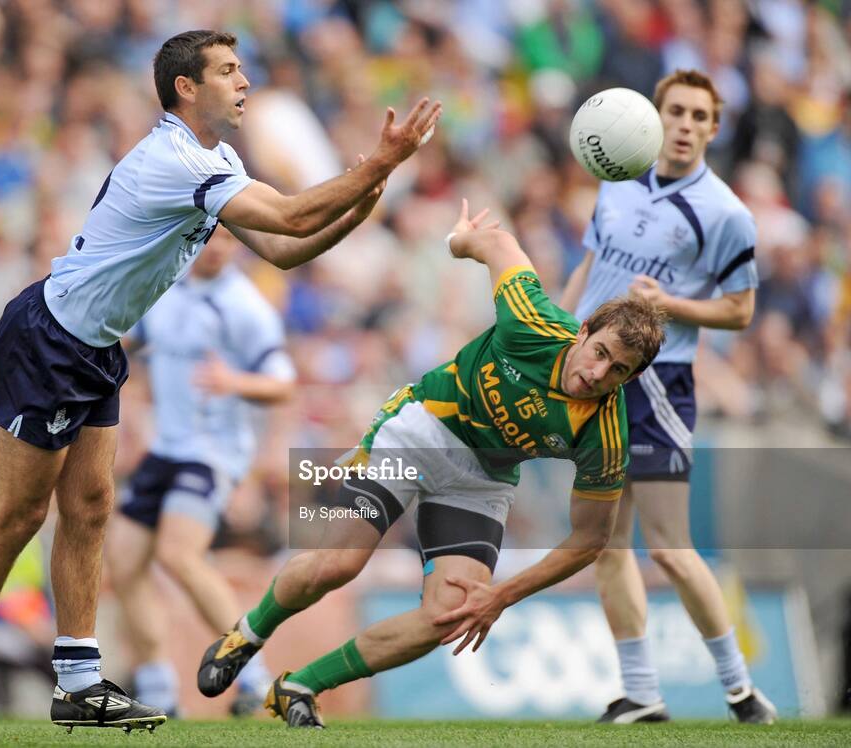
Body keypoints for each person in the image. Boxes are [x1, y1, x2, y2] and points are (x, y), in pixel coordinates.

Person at [0, 29, 441, 737]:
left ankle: (76, 684)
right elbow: (288, 215)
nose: (244, 81)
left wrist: (366, 195)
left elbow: (285, 251)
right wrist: (379, 159)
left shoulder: (215, 157)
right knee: (17, 514)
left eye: (242, 69)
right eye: (227, 70)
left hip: (93, 346)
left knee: (93, 507)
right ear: (185, 88)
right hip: (49, 337)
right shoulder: (172, 158)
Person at [196, 199, 667, 728]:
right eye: (599, 352)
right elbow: (499, 244)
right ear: (583, 333)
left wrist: (502, 595)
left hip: (482, 478)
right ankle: (249, 633)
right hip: (421, 431)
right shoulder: (531, 323)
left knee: (449, 615)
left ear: (629, 381)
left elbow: (589, 540)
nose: (598, 373)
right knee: (339, 564)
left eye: (618, 371)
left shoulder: (606, 434)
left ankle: (300, 686)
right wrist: (458, 238)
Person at [558, 69, 776, 724]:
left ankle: (741, 691)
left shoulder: (727, 213)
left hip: (657, 384)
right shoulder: (615, 178)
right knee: (604, 541)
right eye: (674, 111)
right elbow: (590, 266)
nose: (684, 125)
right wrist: (560, 333)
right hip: (597, 378)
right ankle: (641, 693)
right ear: (655, 117)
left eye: (697, 116)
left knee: (672, 548)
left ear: (713, 128)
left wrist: (671, 304)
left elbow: (740, 310)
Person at [105, 227, 294, 717]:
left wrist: (235, 382)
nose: (218, 249)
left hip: (212, 454)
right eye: (211, 239)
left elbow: (282, 383)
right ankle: (158, 688)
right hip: (164, 449)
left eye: (228, 242)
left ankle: (252, 674)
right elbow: (132, 340)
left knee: (178, 555)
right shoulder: (166, 285)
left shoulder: (243, 305)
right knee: (124, 562)